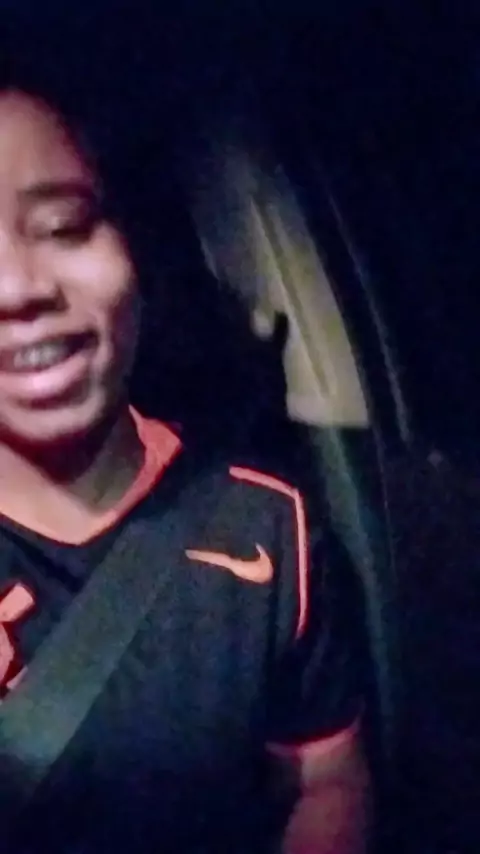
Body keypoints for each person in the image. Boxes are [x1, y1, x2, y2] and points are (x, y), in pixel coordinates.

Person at [0, 38, 370, 854]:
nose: (19, 288)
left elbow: (324, 777)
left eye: (63, 226)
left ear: (132, 249)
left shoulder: (268, 525)